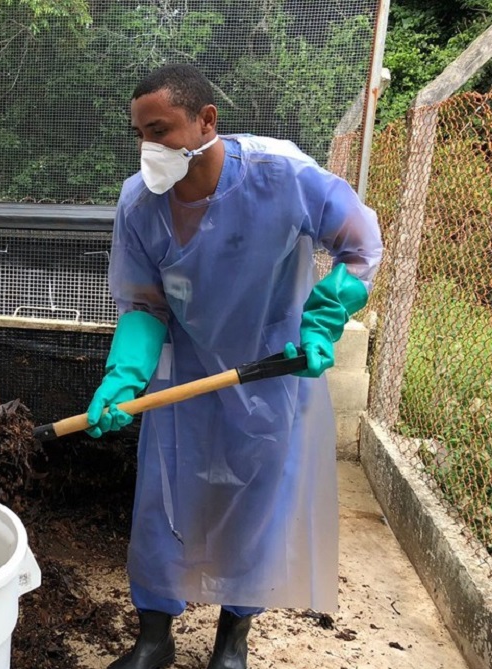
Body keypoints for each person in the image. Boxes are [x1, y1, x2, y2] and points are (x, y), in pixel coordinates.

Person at [85, 64, 383, 669]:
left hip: (270, 369)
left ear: (206, 121)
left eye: (160, 130)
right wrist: (124, 377)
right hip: (185, 373)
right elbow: (144, 303)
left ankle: (232, 642)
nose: (149, 148)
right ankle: (154, 639)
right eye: (140, 134)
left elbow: (361, 245)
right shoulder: (139, 203)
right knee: (163, 500)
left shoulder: (282, 175)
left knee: (256, 503)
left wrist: (323, 321)